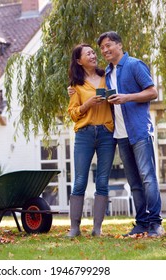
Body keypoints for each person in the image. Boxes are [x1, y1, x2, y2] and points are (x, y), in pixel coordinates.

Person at [68, 31, 164, 237]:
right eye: (101, 48)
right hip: (119, 134)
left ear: (119, 45)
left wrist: (127, 97)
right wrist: (80, 97)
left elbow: (153, 92)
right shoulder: (107, 74)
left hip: (137, 131)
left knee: (147, 177)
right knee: (134, 181)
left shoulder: (134, 65)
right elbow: (77, 107)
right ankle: (141, 223)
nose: (103, 51)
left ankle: (155, 223)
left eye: (107, 45)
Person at [66, 43, 116, 237]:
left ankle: (97, 229)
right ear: (79, 61)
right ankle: (75, 228)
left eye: (94, 52)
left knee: (103, 181)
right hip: (84, 134)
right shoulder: (75, 86)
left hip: (106, 133)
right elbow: (73, 114)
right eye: (89, 54)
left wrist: (112, 99)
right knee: (79, 181)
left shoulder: (107, 77)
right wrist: (87, 103)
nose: (94, 55)